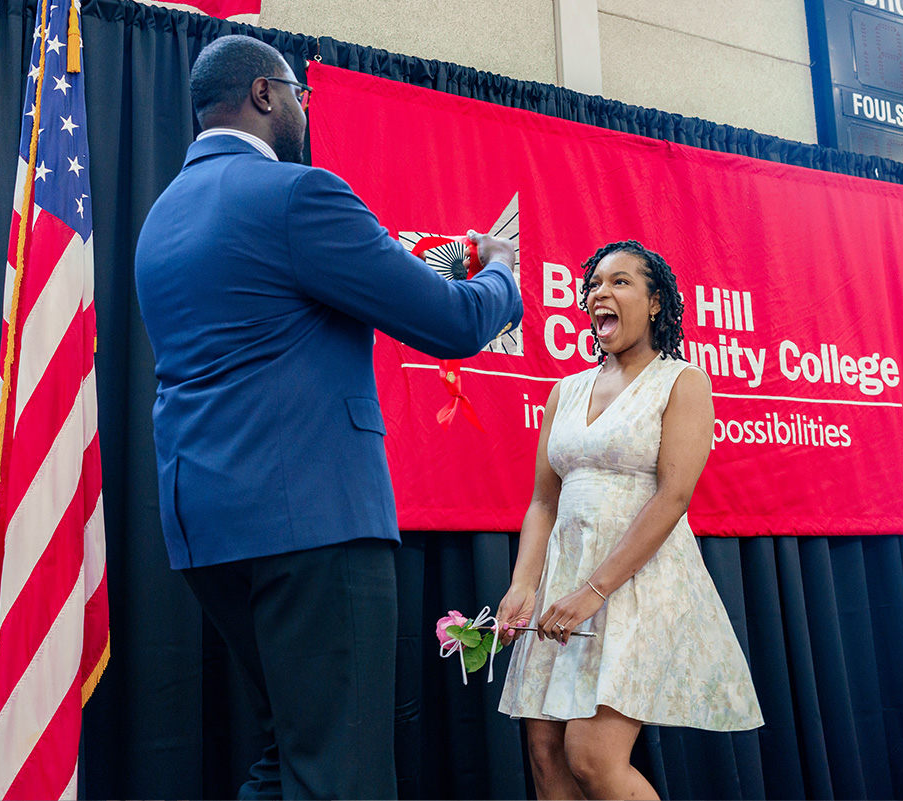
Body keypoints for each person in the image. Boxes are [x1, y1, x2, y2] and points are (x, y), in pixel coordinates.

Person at [133, 35, 523, 800]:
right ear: (264, 95)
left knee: (290, 757)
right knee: (341, 773)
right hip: (309, 521)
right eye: (299, 94)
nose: (307, 110)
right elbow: (447, 322)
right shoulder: (296, 195)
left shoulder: (160, 220)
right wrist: (505, 272)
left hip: (207, 531)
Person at [495, 241, 762, 800]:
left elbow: (673, 497)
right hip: (560, 582)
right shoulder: (564, 391)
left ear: (656, 301)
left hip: (633, 584)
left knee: (591, 758)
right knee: (546, 756)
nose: (599, 294)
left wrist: (594, 590)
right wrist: (524, 587)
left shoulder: (681, 381)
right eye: (593, 285)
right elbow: (545, 501)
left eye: (619, 282)